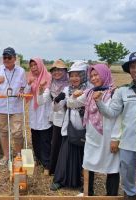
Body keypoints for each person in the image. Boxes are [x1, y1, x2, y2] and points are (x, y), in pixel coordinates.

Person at [95, 52, 136, 200]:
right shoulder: (122, 91)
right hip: (127, 144)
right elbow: (112, 113)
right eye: (132, 67)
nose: (135, 70)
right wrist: (99, 102)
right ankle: (130, 195)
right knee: (126, 177)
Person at [68, 64, 120, 196]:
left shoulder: (115, 93)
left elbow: (118, 117)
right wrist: (74, 96)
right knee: (88, 163)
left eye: (97, 74)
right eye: (91, 76)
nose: (94, 78)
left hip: (108, 137)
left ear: (105, 74)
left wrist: (116, 138)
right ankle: (88, 192)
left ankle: (111, 195)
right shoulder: (90, 92)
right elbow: (71, 104)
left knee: (112, 167)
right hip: (92, 135)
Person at [50, 61, 90, 191]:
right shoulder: (67, 89)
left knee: (84, 156)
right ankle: (60, 180)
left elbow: (75, 103)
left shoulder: (88, 89)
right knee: (65, 153)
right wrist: (56, 100)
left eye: (77, 75)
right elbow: (57, 109)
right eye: (71, 75)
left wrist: (69, 99)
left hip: (85, 128)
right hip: (70, 127)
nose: (74, 78)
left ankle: (83, 183)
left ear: (83, 75)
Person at [0, 47, 27, 166]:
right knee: (3, 132)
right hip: (1, 107)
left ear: (15, 58)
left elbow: (23, 86)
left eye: (9, 57)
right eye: (5, 57)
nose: (7, 59)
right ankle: (6, 155)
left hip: (16, 106)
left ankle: (18, 155)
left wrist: (21, 90)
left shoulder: (21, 71)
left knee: (18, 132)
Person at [38, 59, 69, 175]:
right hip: (57, 119)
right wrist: (40, 92)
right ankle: (56, 169)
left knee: (68, 146)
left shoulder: (70, 84)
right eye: (54, 70)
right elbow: (41, 101)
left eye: (60, 70)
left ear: (65, 71)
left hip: (71, 119)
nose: (57, 72)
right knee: (56, 145)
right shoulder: (51, 85)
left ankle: (68, 170)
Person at [25, 57, 52, 174]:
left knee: (45, 139)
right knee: (35, 137)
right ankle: (38, 159)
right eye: (31, 66)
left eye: (35, 65)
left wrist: (40, 90)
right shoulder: (31, 78)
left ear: (40, 66)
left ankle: (47, 164)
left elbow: (45, 98)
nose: (33, 68)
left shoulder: (48, 78)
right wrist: (28, 84)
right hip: (34, 111)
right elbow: (26, 93)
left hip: (44, 111)